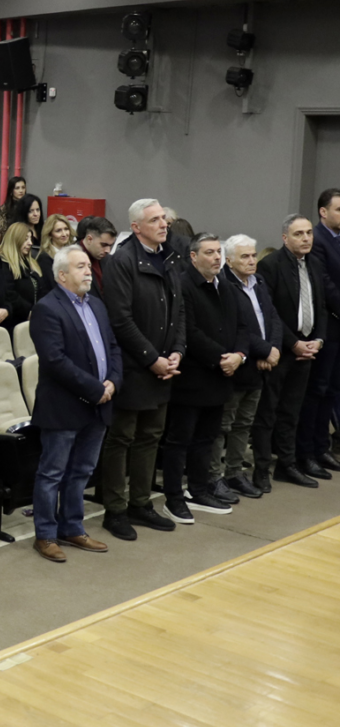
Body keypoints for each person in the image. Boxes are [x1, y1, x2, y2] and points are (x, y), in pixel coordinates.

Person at [98, 199, 185, 541]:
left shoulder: (170, 257)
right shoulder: (122, 262)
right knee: (121, 438)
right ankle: (115, 510)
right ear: (136, 227)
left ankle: (140, 503)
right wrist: (152, 359)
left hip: (164, 366)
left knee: (150, 437)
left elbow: (179, 311)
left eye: (164, 218)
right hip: (134, 367)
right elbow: (121, 319)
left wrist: (177, 351)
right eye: (155, 220)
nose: (163, 224)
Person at [29, 245, 122, 561]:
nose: (88, 271)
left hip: (99, 402)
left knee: (82, 470)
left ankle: (72, 527)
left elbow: (113, 347)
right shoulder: (47, 308)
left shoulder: (96, 304)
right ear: (62, 275)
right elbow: (55, 360)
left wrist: (113, 381)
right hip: (64, 405)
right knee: (52, 473)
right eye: (80, 266)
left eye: (88, 266)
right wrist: (96, 389)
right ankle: (45, 535)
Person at [161, 234, 258, 524]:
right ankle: (173, 498)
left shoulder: (225, 286)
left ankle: (199, 490)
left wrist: (239, 355)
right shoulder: (184, 285)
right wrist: (222, 358)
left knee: (207, 439)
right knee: (179, 441)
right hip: (192, 377)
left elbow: (243, 326)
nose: (217, 257)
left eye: (219, 252)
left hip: (221, 377)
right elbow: (189, 331)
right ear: (193, 257)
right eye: (209, 252)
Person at [253, 214, 330, 489]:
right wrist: (292, 343)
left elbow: (321, 306)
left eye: (309, 232)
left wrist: (318, 340)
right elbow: (268, 311)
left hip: (307, 348)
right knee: (268, 412)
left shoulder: (314, 263)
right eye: (299, 234)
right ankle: (262, 468)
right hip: (281, 349)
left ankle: (287, 465)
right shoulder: (270, 265)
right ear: (285, 238)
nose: (306, 238)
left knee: (291, 411)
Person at [213, 234, 282, 498]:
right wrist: (265, 350)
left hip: (260, 367)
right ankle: (214, 477)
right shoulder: (223, 285)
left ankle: (234, 473)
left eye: (253, 255)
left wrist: (274, 349)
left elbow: (273, 317)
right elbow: (236, 327)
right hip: (238, 366)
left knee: (244, 424)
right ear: (229, 260)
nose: (252, 260)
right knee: (223, 426)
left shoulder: (258, 281)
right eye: (245, 256)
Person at [299, 189, 340, 475]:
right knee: (317, 389)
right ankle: (307, 451)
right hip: (327, 325)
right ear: (323, 212)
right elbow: (325, 284)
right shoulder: (317, 240)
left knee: (332, 390)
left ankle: (322, 447)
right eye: (339, 209)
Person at [0, 221, 44, 320]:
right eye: (25, 239)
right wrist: (29, 311)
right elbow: (10, 294)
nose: (30, 243)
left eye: (30, 239)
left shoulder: (30, 262)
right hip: (15, 319)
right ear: (15, 239)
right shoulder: (2, 264)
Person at [76, 215, 118, 299]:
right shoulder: (70, 259)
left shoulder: (109, 260)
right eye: (104, 245)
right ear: (89, 239)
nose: (108, 250)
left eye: (110, 245)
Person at [37, 214, 73, 292]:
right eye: (58, 231)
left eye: (66, 229)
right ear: (50, 234)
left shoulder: (72, 253)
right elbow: (52, 286)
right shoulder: (45, 258)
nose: (64, 234)